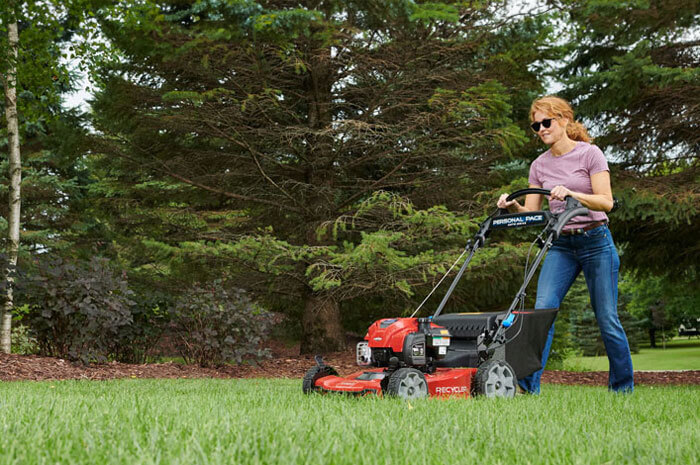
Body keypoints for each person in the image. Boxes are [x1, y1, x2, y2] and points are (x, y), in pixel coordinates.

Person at [497, 96, 634, 394]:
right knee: (542, 313)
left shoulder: (590, 155)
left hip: (596, 241)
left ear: (564, 121)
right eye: (536, 125)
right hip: (561, 245)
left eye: (546, 122)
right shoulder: (539, 166)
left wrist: (572, 193)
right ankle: (527, 387)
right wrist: (512, 206)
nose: (541, 129)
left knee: (607, 318)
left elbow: (606, 202)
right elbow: (533, 214)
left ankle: (622, 389)